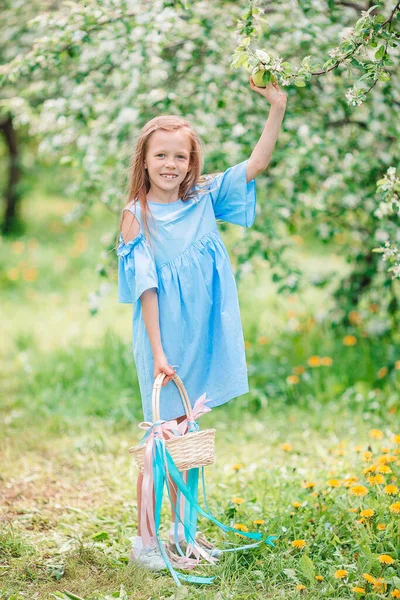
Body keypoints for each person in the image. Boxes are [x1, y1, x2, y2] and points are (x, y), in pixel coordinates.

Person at [116, 78, 287, 572]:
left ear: (192, 163)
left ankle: (184, 534)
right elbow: (146, 289)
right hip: (164, 337)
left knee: (187, 433)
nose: (171, 166)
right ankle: (146, 541)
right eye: (162, 156)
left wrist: (276, 107)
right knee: (160, 437)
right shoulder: (137, 217)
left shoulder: (204, 197)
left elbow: (256, 165)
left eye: (181, 158)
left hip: (202, 332)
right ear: (144, 162)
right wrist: (159, 352)